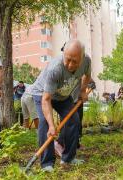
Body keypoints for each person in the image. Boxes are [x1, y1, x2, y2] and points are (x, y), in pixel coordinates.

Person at [30, 40, 91, 172]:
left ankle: (68, 158)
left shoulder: (86, 61)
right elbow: (46, 100)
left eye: (75, 61)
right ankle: (47, 163)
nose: (70, 65)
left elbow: (87, 75)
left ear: (82, 57)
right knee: (45, 123)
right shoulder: (55, 68)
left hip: (62, 95)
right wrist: (52, 125)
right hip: (42, 93)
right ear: (64, 54)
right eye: (68, 59)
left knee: (74, 120)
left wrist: (82, 90)